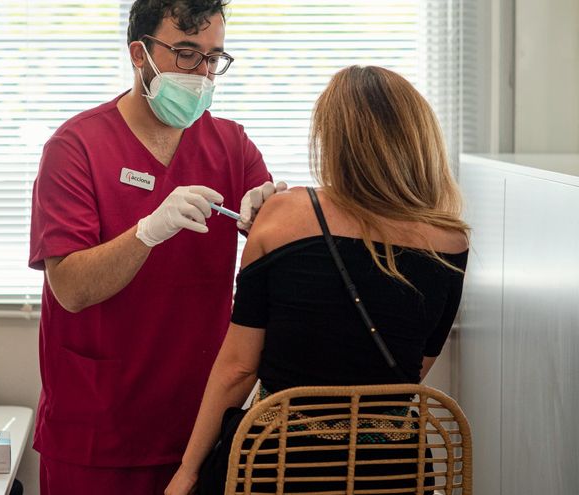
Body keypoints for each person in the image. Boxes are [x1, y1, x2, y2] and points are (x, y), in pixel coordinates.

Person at [165, 65, 471, 495]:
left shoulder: (284, 214)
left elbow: (237, 369)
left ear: (334, 139)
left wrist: (188, 470)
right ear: (419, 140)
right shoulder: (452, 241)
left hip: (278, 463)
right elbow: (414, 368)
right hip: (391, 471)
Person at [28, 1, 286, 493]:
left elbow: (278, 245)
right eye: (186, 53)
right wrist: (148, 231)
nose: (202, 72)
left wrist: (273, 211)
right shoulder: (76, 146)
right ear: (139, 54)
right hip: (98, 428)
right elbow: (72, 289)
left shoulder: (231, 145)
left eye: (213, 58)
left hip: (198, 430)